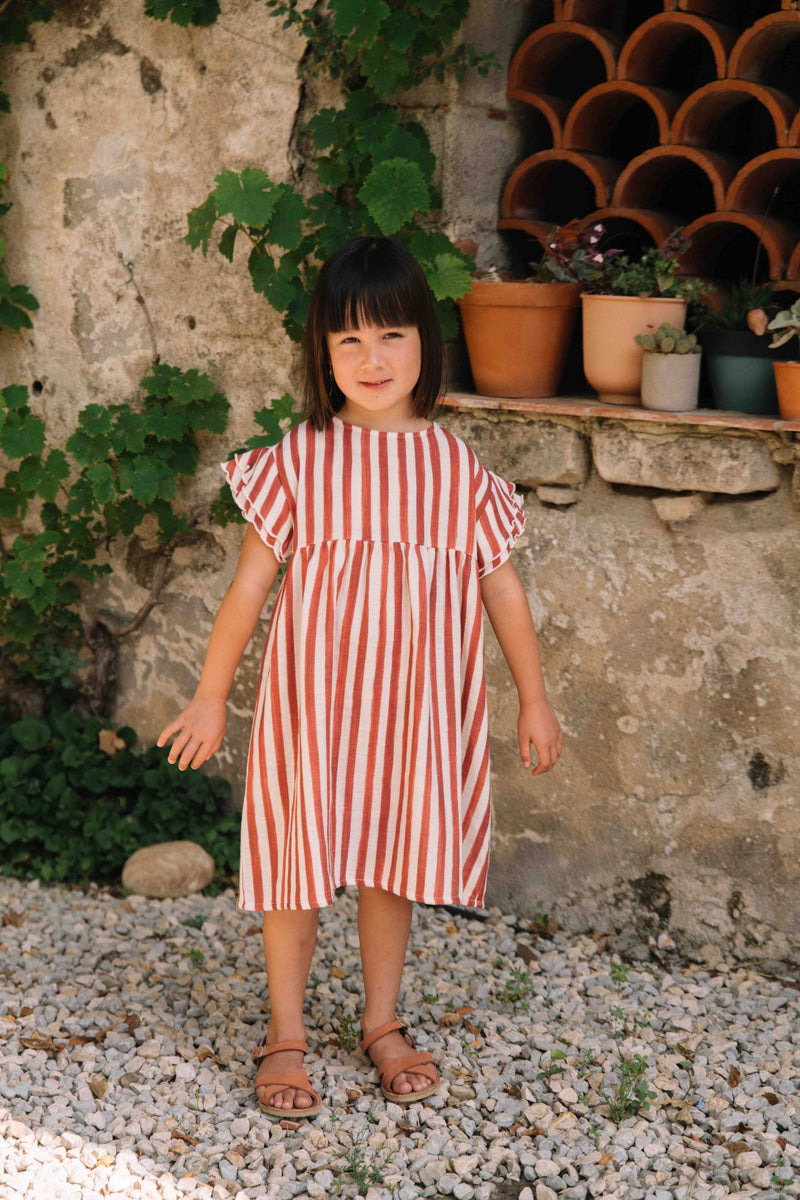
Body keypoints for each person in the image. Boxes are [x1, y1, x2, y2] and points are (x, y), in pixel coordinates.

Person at [157, 235, 562, 1119]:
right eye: (349, 339)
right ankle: (285, 1031)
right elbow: (249, 588)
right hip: (314, 711)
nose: (372, 359)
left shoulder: (455, 469)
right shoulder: (300, 460)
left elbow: (502, 589)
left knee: (393, 862)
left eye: (391, 336)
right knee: (296, 864)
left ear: (426, 341)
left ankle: (382, 1021)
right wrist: (210, 696)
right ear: (322, 352)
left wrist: (533, 698)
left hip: (413, 715)